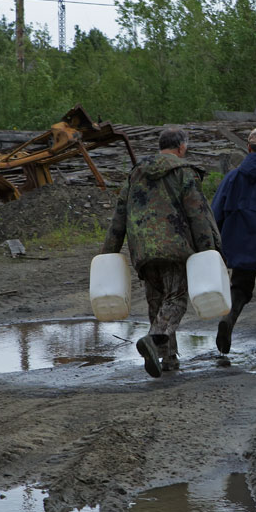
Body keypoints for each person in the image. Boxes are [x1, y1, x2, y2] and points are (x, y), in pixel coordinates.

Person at [100, 127, 222, 378]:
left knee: (157, 302)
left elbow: (119, 215)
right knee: (176, 298)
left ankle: (167, 358)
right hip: (174, 246)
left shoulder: (136, 173)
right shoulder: (184, 172)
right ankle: (155, 340)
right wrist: (209, 251)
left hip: (142, 248)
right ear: (181, 147)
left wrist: (108, 253)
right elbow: (198, 215)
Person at [211, 128, 256, 354]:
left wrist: (215, 241)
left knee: (241, 286)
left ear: (249, 147)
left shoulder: (232, 177)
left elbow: (216, 210)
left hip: (236, 239)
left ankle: (228, 320)